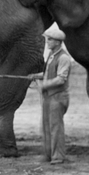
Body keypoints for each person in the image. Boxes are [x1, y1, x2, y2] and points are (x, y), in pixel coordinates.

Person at [30, 24, 71, 164]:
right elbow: (49, 73)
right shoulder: (52, 56)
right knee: (46, 127)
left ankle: (58, 157)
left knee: (55, 128)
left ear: (58, 42)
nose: (47, 42)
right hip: (49, 97)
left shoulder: (63, 58)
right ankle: (49, 155)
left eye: (49, 40)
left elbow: (61, 78)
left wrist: (44, 85)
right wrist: (37, 76)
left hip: (58, 97)